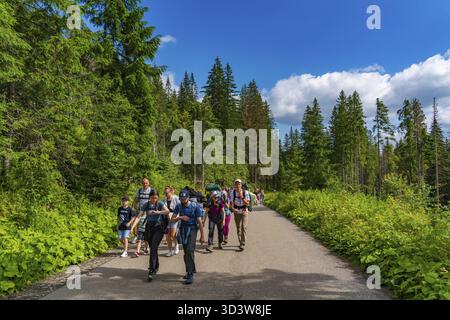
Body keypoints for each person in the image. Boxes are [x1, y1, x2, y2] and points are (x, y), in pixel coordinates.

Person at [132, 189, 169, 281]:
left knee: (153, 247)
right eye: (152, 198)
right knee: (154, 248)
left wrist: (158, 212)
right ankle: (156, 265)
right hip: (149, 227)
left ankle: (151, 270)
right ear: (149, 197)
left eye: (156, 198)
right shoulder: (146, 205)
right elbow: (139, 216)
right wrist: (132, 227)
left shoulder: (160, 204)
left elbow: (167, 211)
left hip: (158, 228)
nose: (154, 200)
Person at [171, 189, 205, 285]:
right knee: (186, 252)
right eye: (181, 199)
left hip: (193, 230)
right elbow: (172, 219)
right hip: (183, 230)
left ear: (188, 198)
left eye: (184, 199)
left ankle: (190, 274)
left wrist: (202, 236)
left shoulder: (195, 207)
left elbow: (199, 222)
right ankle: (191, 269)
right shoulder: (178, 206)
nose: (182, 200)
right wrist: (180, 217)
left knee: (190, 250)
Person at [230, 179, 251, 251]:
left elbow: (247, 203)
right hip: (237, 211)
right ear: (234, 185)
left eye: (239, 184)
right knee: (238, 228)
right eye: (236, 184)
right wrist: (233, 210)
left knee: (243, 227)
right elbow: (231, 204)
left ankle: (242, 243)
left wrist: (241, 196)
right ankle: (240, 241)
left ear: (241, 185)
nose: (237, 185)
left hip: (244, 211)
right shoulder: (232, 192)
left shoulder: (246, 192)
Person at [130, 178, 153, 244]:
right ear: (142, 183)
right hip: (139, 209)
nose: (145, 184)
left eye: (146, 183)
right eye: (143, 183)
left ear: (149, 183)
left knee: (145, 224)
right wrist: (134, 207)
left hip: (148, 210)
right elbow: (136, 199)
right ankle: (135, 236)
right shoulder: (139, 190)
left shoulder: (151, 191)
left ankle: (144, 238)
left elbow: (154, 200)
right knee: (136, 222)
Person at [163, 186, 181, 257]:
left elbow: (180, 207)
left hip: (174, 218)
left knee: (172, 235)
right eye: (165, 193)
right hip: (167, 219)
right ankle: (170, 250)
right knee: (167, 236)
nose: (166, 194)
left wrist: (176, 216)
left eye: (167, 193)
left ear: (171, 192)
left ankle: (176, 245)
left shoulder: (176, 198)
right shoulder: (165, 199)